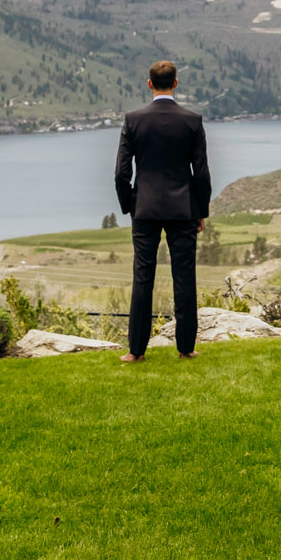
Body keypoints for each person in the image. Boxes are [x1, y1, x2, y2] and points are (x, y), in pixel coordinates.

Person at [113, 60, 211, 362]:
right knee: (185, 276)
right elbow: (202, 173)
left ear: (150, 84)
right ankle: (186, 347)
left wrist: (130, 204)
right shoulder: (192, 120)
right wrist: (201, 210)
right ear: (176, 83)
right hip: (184, 209)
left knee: (143, 276)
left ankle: (136, 351)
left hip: (144, 209)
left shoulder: (133, 120)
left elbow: (120, 173)